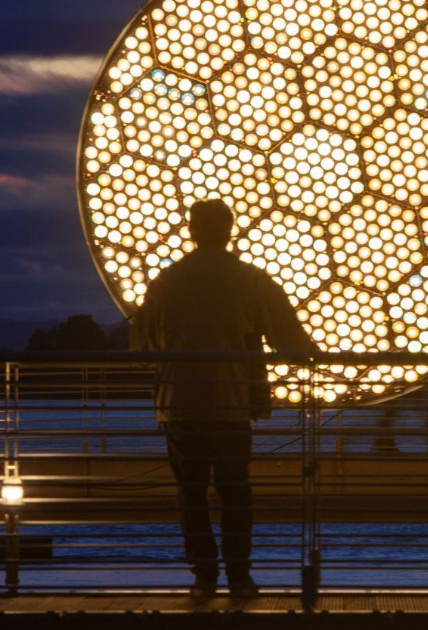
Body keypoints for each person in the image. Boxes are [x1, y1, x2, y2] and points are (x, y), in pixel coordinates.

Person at [131, 199, 313, 598]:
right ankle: (239, 576)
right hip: (232, 402)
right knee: (235, 490)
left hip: (179, 402)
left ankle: (204, 575)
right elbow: (290, 339)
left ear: (191, 229)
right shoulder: (251, 280)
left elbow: (141, 345)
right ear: (230, 230)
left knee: (191, 492)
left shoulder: (166, 281)